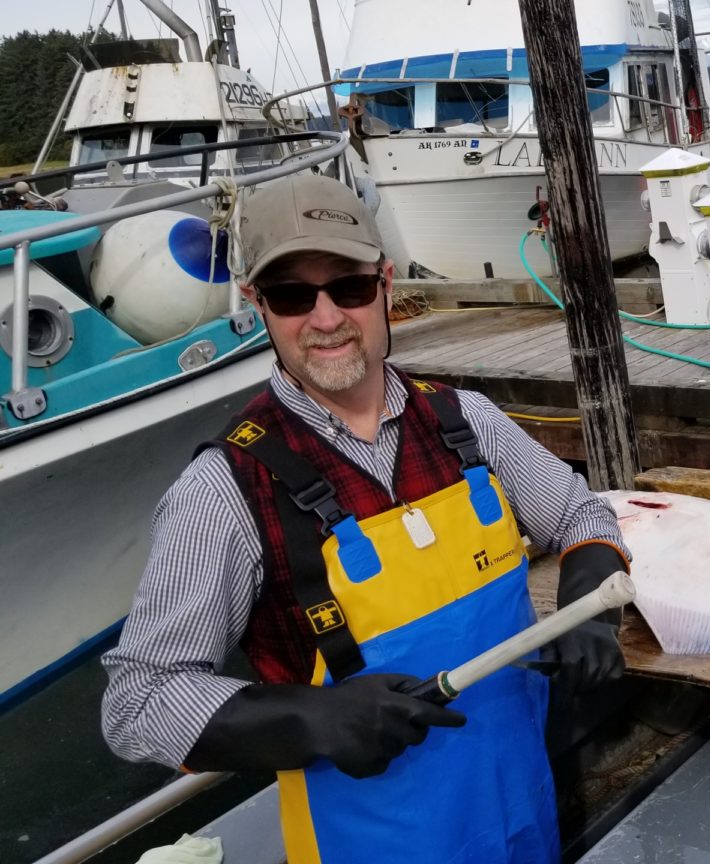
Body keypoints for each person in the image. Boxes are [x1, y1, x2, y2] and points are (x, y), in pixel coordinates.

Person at [101, 171, 630, 864]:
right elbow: (138, 702)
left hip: (520, 816)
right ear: (259, 304)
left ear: (385, 284)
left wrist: (591, 612)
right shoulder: (225, 488)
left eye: (348, 287)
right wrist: (312, 717)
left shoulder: (467, 421)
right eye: (293, 295)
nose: (325, 319)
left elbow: (581, 515)